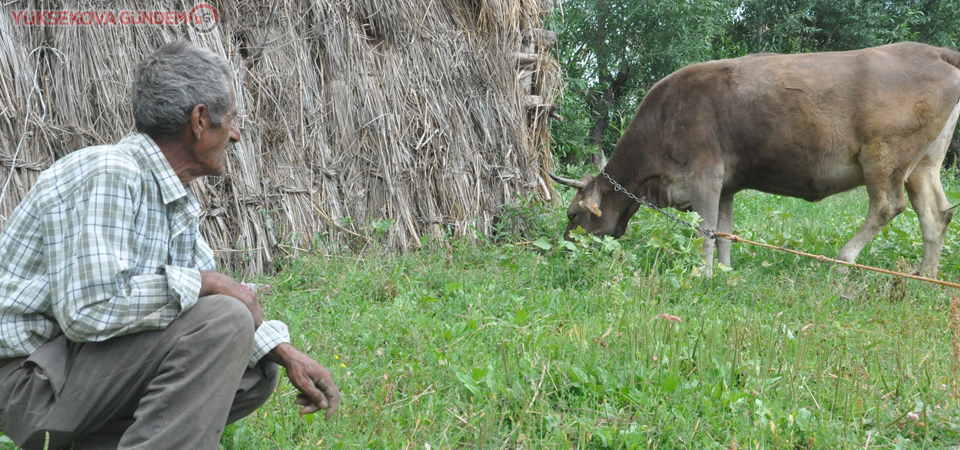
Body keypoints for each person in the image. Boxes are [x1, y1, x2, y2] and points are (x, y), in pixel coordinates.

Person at [0, 40, 339, 450]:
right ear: (199, 120)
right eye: (229, 119)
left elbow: (202, 302)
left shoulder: (171, 196)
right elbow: (87, 311)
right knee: (227, 323)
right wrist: (207, 282)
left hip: (74, 372)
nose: (236, 134)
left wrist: (285, 353)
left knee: (256, 369)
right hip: (29, 385)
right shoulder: (110, 172)